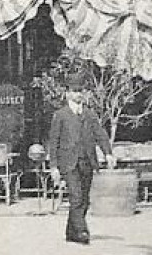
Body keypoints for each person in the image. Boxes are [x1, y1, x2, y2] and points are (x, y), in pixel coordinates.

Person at [46, 90, 112, 245]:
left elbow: (100, 134)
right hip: (69, 163)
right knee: (76, 197)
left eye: (81, 91)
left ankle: (71, 232)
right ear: (68, 93)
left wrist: (107, 153)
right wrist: (54, 166)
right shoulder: (60, 115)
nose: (78, 94)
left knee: (84, 200)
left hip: (87, 161)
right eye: (75, 91)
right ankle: (82, 230)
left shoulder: (89, 114)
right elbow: (54, 141)